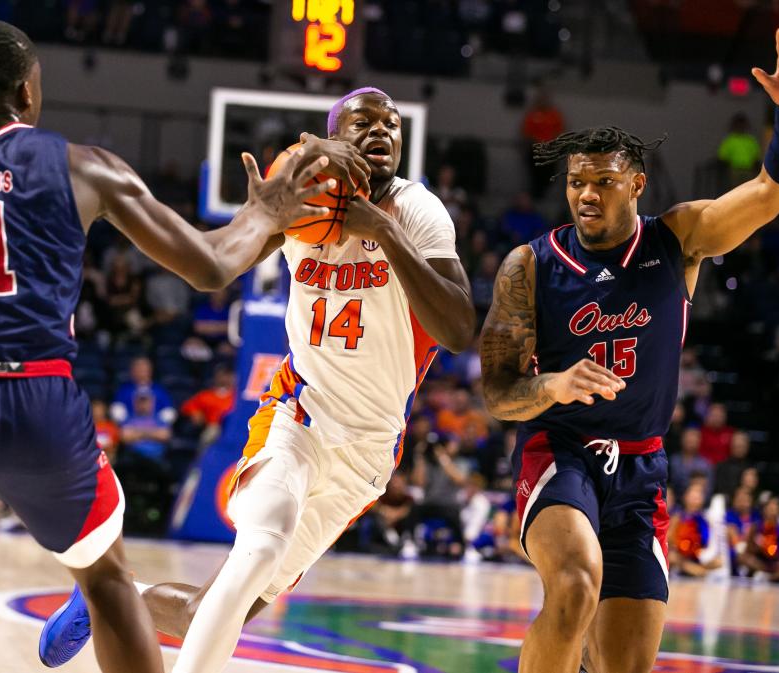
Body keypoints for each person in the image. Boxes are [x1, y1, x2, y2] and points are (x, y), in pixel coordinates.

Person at [0, 19, 340, 673]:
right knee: (109, 585)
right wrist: (265, 212)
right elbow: (209, 265)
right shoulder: (86, 168)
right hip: (42, 406)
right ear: (30, 94)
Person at [40, 86, 475, 673]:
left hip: (369, 452)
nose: (380, 133)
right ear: (334, 138)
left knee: (212, 611)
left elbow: (457, 328)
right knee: (259, 546)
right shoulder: (305, 199)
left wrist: (382, 229)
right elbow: (216, 262)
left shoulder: (418, 212)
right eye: (363, 124)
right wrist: (269, 206)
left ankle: (111, 600)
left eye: (391, 125)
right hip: (300, 413)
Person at [479, 22, 779, 673]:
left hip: (641, 469)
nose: (585, 193)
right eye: (576, 181)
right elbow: (498, 393)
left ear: (636, 184)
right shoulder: (530, 265)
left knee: (624, 664)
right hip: (560, 452)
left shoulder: (679, 239)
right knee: (576, 583)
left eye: (602, 182)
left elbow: (772, 193)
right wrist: (553, 385)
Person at [738, 497, 779, 582]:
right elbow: (748, 550)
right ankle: (771, 576)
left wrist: (775, 553)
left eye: (775, 509)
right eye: (770, 509)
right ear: (764, 510)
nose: (772, 512)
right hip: (760, 563)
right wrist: (761, 547)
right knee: (742, 557)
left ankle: (769, 577)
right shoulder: (756, 527)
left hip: (776, 564)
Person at [667, 482, 722, 577]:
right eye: (692, 495)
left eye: (699, 495)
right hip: (679, 555)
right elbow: (669, 538)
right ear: (685, 497)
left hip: (696, 555)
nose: (695, 498)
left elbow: (708, 542)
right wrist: (680, 547)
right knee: (672, 557)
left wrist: (700, 552)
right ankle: (696, 570)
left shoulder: (705, 519)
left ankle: (696, 570)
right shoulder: (678, 517)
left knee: (718, 562)